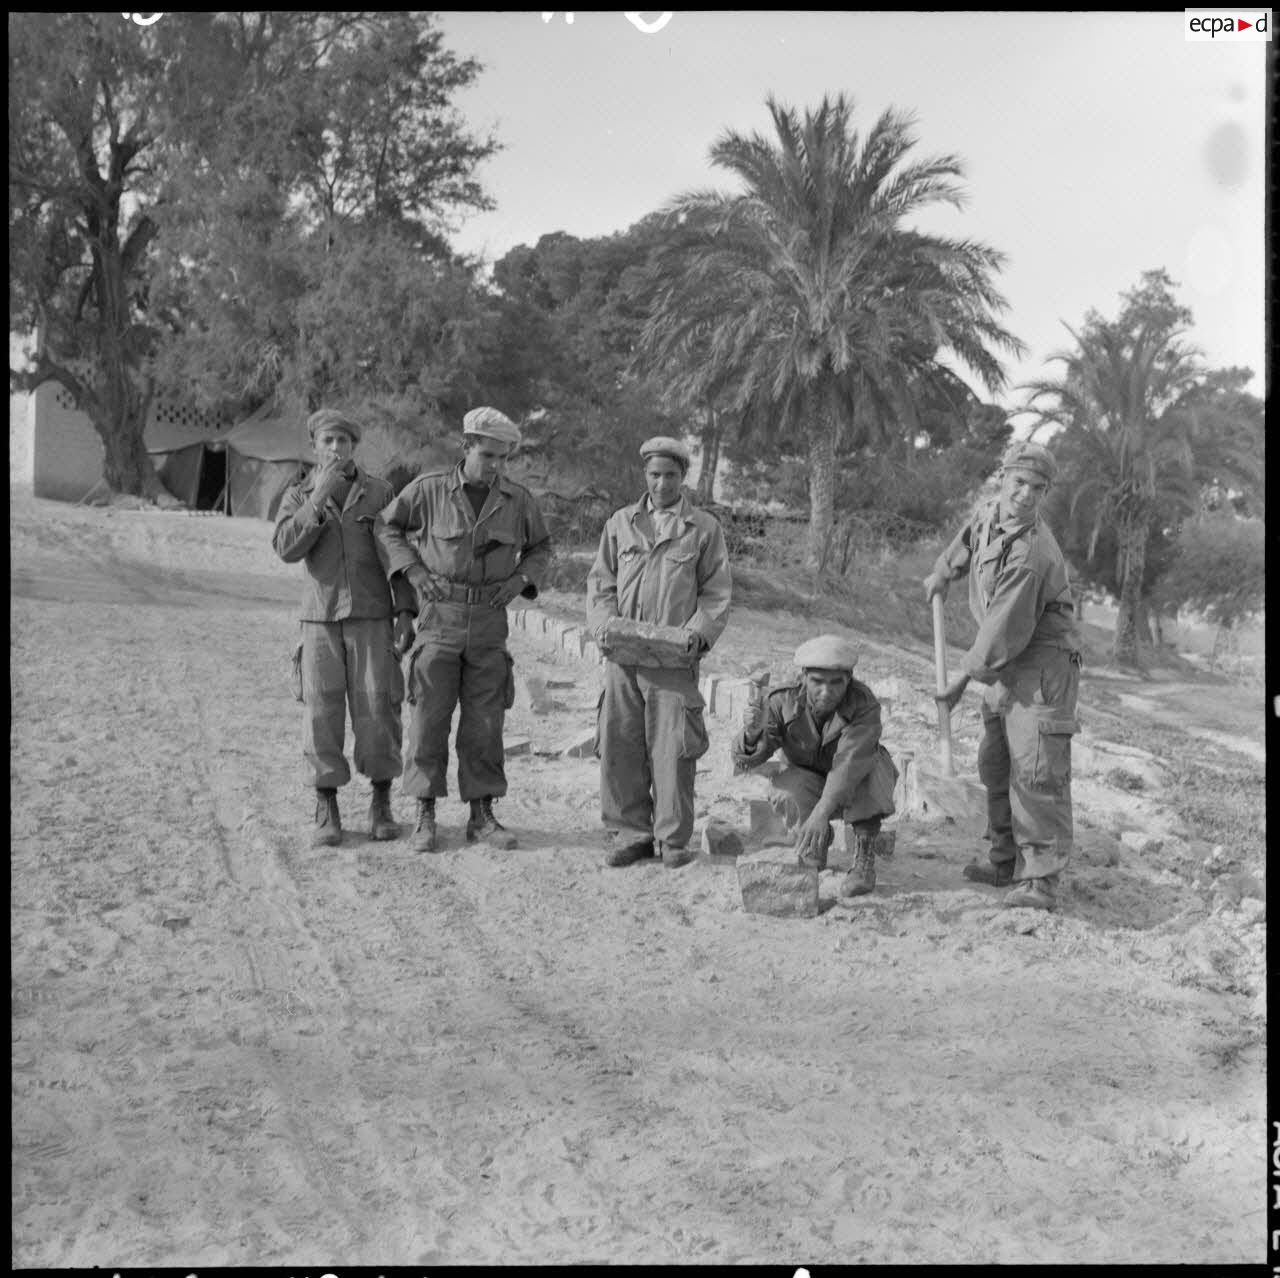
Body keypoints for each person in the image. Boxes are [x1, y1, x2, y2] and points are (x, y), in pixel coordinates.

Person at [374, 406, 551, 854]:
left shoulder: (517, 500)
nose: (494, 465)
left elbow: (540, 547)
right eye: (487, 454)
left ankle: (482, 814)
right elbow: (386, 526)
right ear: (466, 446)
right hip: (440, 619)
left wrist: (519, 580)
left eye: (502, 457)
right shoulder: (430, 491)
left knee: (485, 723)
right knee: (428, 719)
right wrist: (412, 572)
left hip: (490, 624)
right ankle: (425, 813)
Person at [923, 439, 1082, 912]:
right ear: (1003, 478)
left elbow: (1001, 630)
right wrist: (942, 572)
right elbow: (969, 540)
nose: (1026, 494)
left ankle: (1043, 882)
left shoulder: (1033, 554)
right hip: (1008, 656)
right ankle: (1004, 860)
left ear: (1045, 493)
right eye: (1019, 482)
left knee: (1035, 770)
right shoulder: (990, 512)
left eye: (1038, 488)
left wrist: (962, 680)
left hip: (1044, 664)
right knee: (995, 760)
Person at [587, 435, 732, 869]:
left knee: (672, 752)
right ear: (644, 475)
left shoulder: (703, 529)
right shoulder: (620, 523)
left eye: (670, 475)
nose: (662, 484)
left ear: (682, 477)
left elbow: (716, 593)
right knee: (620, 746)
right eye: (654, 474)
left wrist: (695, 636)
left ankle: (672, 841)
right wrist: (603, 629)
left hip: (672, 662)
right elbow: (600, 584)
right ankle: (631, 834)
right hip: (624, 659)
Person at [273, 408, 414, 848]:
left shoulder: (380, 493)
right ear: (314, 446)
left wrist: (406, 611)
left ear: (355, 446)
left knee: (379, 713)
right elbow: (285, 548)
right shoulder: (298, 495)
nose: (336, 449)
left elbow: (399, 553)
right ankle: (326, 806)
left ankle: (381, 802)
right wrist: (319, 499)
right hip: (320, 619)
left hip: (372, 618)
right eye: (328, 441)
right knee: (321, 715)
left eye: (344, 442)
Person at [732, 635, 898, 900]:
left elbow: (850, 763)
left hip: (850, 780)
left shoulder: (863, 704)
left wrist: (822, 812)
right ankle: (814, 846)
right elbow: (750, 760)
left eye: (836, 683)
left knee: (873, 768)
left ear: (850, 679)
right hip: (808, 778)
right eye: (817, 682)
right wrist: (752, 734)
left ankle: (864, 858)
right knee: (784, 787)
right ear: (804, 677)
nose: (826, 691)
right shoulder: (782, 701)